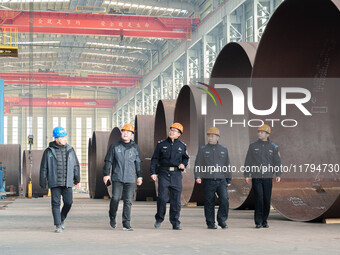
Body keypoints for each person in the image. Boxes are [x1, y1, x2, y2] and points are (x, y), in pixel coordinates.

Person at [40, 126, 80, 233]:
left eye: (65, 136)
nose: (65, 139)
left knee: (69, 202)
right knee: (55, 203)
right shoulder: (48, 151)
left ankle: (62, 218)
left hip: (67, 182)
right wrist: (43, 182)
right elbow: (43, 167)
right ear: (56, 138)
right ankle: (58, 224)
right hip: (54, 182)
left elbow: (75, 165)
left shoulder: (70, 150)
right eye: (62, 137)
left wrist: (77, 179)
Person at [103, 124, 142, 231]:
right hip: (117, 177)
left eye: (128, 132)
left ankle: (126, 224)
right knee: (115, 198)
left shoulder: (135, 148)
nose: (125, 134)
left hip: (130, 178)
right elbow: (108, 160)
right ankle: (112, 216)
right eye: (124, 132)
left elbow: (138, 163)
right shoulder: (114, 146)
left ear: (132, 135)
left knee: (128, 200)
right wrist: (106, 174)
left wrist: (140, 176)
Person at [150, 122, 189, 230]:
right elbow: (155, 159)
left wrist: (183, 164)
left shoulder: (182, 146)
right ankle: (159, 219)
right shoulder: (161, 144)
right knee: (162, 198)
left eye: (175, 131)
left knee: (176, 200)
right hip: (163, 174)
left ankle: (175, 222)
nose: (172, 132)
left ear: (179, 134)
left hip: (176, 175)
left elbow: (186, 158)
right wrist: (153, 172)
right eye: (171, 130)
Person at [244, 124, 282, 228]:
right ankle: (258, 221)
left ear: (267, 134)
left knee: (266, 199)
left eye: (262, 132)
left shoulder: (273, 147)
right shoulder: (253, 146)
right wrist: (246, 174)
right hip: (256, 176)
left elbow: (277, 162)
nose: (259, 134)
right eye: (258, 132)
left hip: (268, 177)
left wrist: (278, 174)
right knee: (259, 198)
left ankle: (265, 220)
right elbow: (248, 161)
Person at [194, 127, 231, 229]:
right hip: (208, 180)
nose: (210, 138)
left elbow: (227, 165)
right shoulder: (203, 149)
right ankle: (210, 223)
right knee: (209, 201)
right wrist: (198, 176)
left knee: (224, 200)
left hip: (221, 180)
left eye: (212, 136)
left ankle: (221, 220)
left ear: (218, 137)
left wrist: (229, 179)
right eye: (209, 136)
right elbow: (198, 164)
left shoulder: (224, 149)